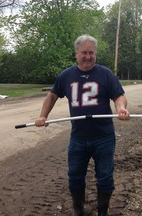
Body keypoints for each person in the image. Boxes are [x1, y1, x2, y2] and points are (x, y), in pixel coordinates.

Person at [35, 34, 129, 216]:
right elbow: (52, 95)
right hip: (78, 138)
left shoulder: (105, 74)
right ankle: (79, 211)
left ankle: (103, 212)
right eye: (84, 52)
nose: (88, 56)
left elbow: (119, 95)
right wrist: (43, 116)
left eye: (91, 53)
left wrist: (121, 108)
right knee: (75, 177)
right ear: (76, 53)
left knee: (105, 178)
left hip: (104, 138)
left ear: (95, 54)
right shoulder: (66, 75)